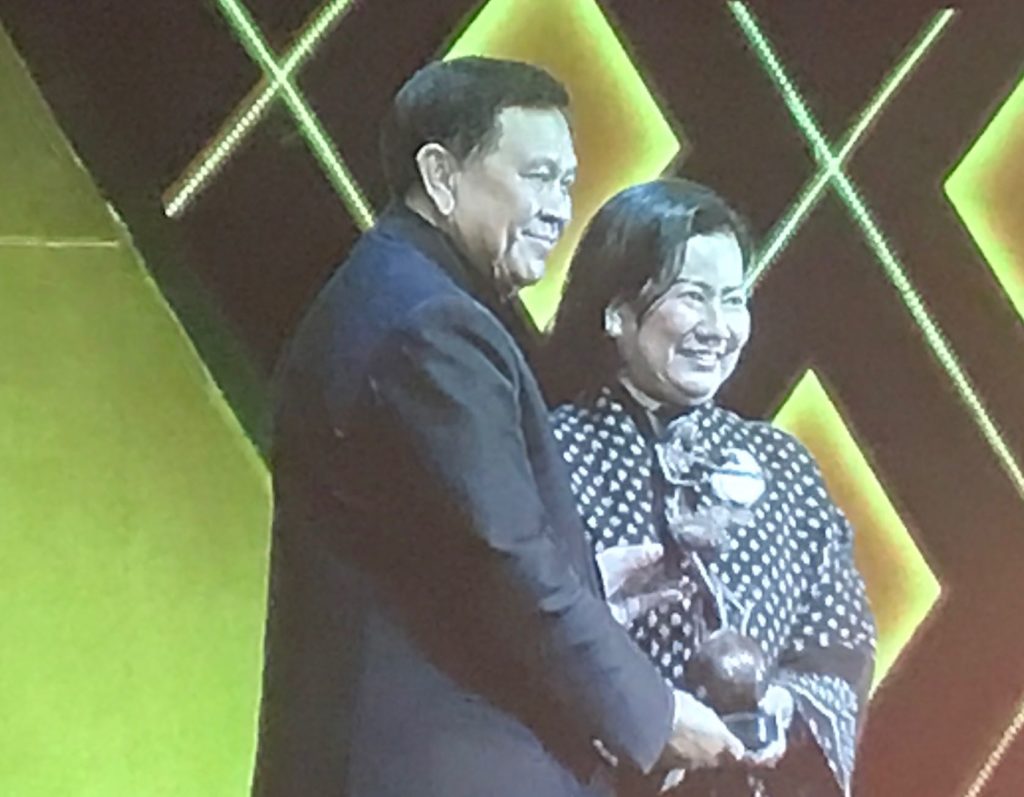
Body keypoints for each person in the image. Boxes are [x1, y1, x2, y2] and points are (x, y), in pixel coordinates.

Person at [251, 58, 708, 797]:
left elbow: (447, 546)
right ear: (441, 175)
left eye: (567, 183)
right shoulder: (432, 324)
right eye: (537, 176)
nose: (560, 209)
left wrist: (595, 579)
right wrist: (655, 714)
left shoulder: (398, 289)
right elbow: (505, 556)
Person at [542, 178, 877, 796]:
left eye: (734, 299)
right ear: (616, 311)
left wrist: (784, 704)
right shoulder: (549, 455)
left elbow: (840, 640)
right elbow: (518, 637)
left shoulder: (781, 464)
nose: (719, 326)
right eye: (693, 297)